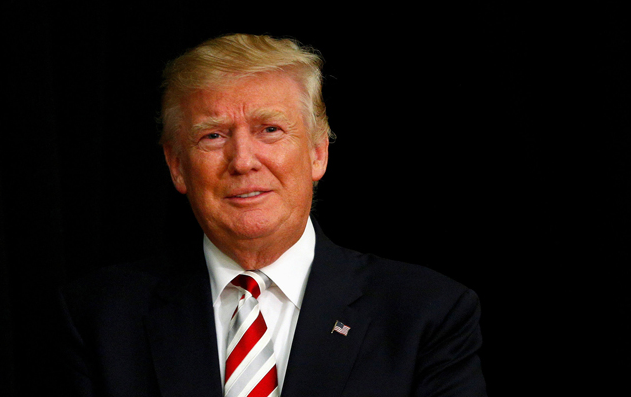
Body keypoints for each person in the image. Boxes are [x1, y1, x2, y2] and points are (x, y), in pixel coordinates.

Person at [55, 34, 487, 396]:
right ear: (176, 166)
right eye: (213, 135)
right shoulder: (100, 317)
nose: (243, 160)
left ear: (318, 152)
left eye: (270, 129)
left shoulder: (426, 313)